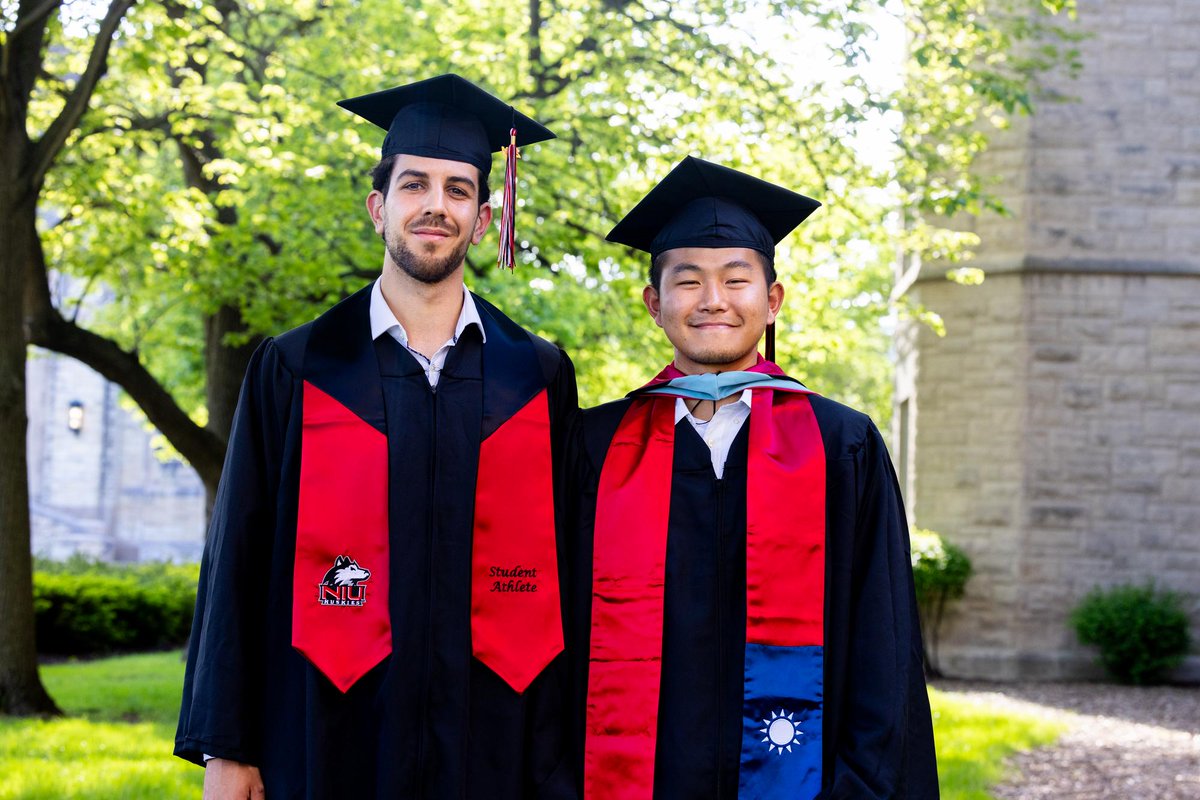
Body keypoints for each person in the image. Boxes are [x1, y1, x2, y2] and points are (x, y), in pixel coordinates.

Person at [176, 74, 578, 800]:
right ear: (378, 207)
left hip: (497, 740)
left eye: (459, 191)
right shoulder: (298, 366)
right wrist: (226, 749)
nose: (436, 206)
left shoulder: (537, 375)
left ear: (484, 220)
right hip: (325, 730)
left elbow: (569, 569)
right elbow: (237, 555)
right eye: (415, 185)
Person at [567, 156, 938, 799]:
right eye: (688, 282)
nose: (713, 300)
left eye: (736, 280)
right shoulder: (594, 450)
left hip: (808, 782)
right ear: (655, 304)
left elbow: (886, 644)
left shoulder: (841, 446)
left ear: (771, 302)